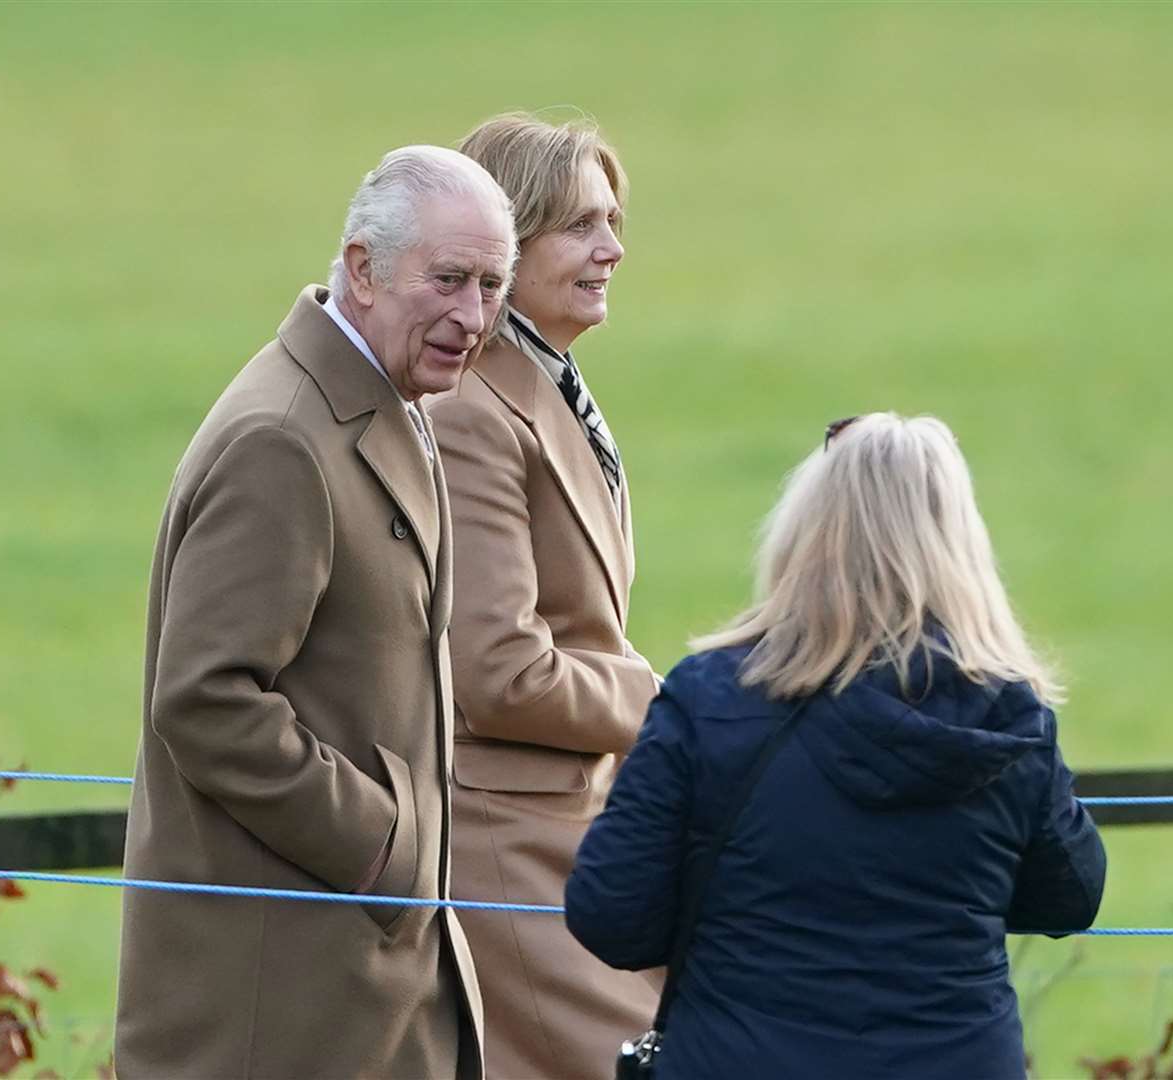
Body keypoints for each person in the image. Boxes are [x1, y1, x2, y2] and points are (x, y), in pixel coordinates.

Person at [114, 146, 517, 1080]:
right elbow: (207, 701)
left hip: (353, 992)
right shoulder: (283, 439)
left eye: (492, 285)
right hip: (281, 1010)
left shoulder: (386, 400)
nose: (472, 315)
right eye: (449, 279)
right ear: (364, 268)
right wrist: (382, 846)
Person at [566, 412, 1107, 1079]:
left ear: (805, 533)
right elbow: (1070, 896)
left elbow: (609, 913)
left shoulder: (710, 698)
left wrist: (733, 918)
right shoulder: (1006, 713)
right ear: (961, 546)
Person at [428, 113, 661, 1080]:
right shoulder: (476, 409)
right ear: (506, 244)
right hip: (506, 848)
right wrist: (668, 705)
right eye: (580, 227)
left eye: (612, 221)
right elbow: (499, 672)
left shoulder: (550, 380)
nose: (612, 249)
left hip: (576, 833)